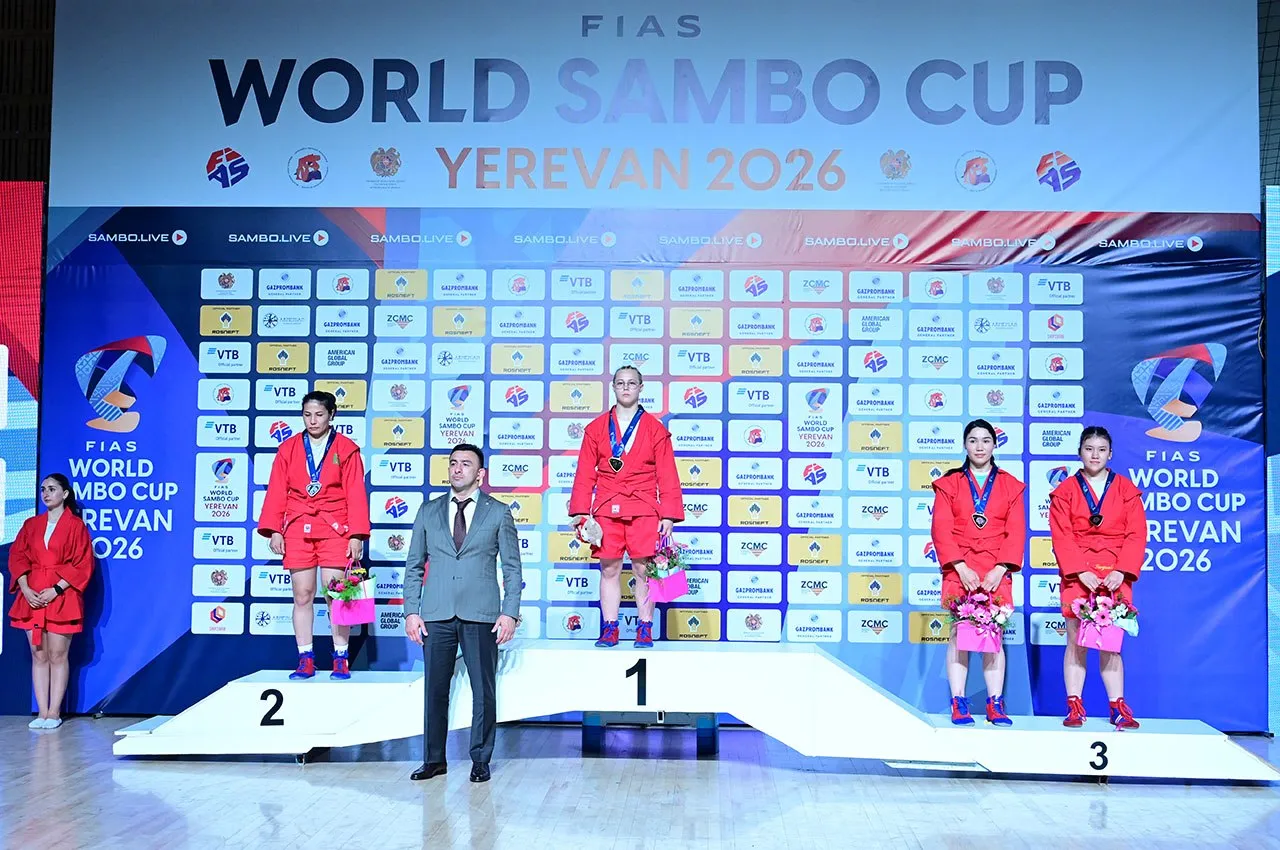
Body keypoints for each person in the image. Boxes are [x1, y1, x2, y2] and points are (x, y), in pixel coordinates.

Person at [403, 443, 523, 783]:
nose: (457, 469)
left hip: (481, 614)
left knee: (483, 691)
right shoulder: (428, 511)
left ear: (480, 473)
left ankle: (480, 759)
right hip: (436, 614)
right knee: (435, 690)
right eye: (453, 463)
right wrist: (411, 611)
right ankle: (433, 760)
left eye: (466, 464)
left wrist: (509, 613)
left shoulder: (498, 512)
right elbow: (414, 565)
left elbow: (512, 568)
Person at [568, 366, 684, 648]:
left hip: (644, 506)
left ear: (641, 388)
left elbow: (667, 474)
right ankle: (610, 627)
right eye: (620, 383)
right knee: (609, 569)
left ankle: (645, 626)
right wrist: (581, 512)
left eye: (631, 383)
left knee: (644, 569)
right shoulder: (596, 429)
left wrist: (669, 514)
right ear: (613, 387)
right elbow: (584, 473)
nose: (626, 388)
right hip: (607, 506)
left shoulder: (655, 429)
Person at [257, 390, 370, 680]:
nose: (313, 420)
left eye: (319, 414)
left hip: (335, 528)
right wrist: (275, 529)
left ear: (332, 415)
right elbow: (277, 490)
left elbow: (355, 493)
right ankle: (305, 658)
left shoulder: (347, 449)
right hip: (298, 526)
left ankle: (341, 657)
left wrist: (356, 535)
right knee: (302, 594)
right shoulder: (288, 448)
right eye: (307, 415)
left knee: (336, 594)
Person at [930, 419, 1027, 727]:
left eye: (986, 440)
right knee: (959, 633)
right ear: (965, 444)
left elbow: (1016, 531)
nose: (980, 446)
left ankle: (995, 702)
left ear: (995, 445)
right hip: (960, 568)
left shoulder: (1011, 485)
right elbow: (941, 528)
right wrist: (959, 566)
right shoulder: (949, 484)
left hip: (996, 569)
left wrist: (1001, 568)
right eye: (973, 440)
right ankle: (958, 700)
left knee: (993, 633)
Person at [1050, 425, 1146, 729]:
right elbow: (1061, 535)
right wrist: (1079, 570)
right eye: (1089, 449)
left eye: (1101, 450)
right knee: (1075, 640)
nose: (1095, 455)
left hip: (1116, 574)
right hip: (1078, 575)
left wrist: (1122, 570)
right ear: (1079, 452)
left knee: (1111, 643)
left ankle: (1117, 708)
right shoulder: (1064, 492)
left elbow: (1136, 534)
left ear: (1110, 454)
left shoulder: (1127, 490)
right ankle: (1074, 706)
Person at [8, 474, 94, 729]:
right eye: (43, 489)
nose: (46, 493)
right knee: (39, 654)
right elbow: (17, 557)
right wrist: (25, 588)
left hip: (61, 596)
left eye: (52, 489)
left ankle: (54, 712)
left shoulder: (76, 526)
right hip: (32, 596)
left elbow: (82, 562)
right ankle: (41, 712)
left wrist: (56, 589)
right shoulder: (31, 524)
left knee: (57, 654)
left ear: (65, 493)